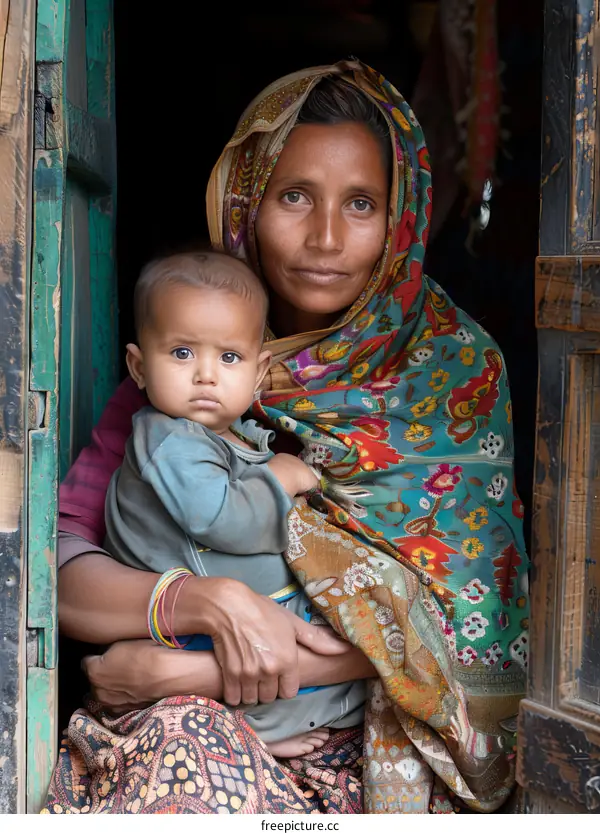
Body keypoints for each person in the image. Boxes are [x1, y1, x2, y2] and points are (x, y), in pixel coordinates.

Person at [45, 59, 529, 815]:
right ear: (247, 202)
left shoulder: (455, 376)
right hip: (208, 733)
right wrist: (206, 603)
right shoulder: (188, 374)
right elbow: (63, 580)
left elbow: (466, 630)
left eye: (361, 203)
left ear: (403, 220)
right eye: (295, 196)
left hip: (388, 741)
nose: (327, 236)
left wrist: (186, 675)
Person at [104, 249, 367, 757]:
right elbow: (218, 518)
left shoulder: (227, 435)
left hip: (249, 607)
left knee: (345, 646)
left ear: (259, 369)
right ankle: (261, 733)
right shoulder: (168, 438)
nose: (206, 375)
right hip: (198, 628)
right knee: (320, 654)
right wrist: (279, 477)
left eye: (229, 358)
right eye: (182, 353)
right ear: (138, 366)